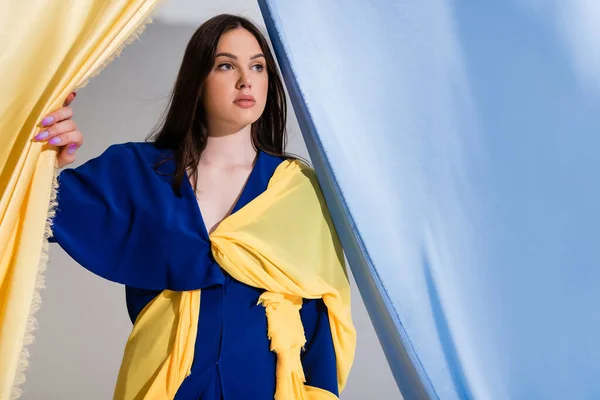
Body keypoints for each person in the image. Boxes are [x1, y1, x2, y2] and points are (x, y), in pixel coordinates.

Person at [34, 14, 355, 400]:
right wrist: (42, 159)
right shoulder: (135, 173)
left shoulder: (297, 188)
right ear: (197, 81)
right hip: (161, 385)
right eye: (225, 65)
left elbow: (321, 314)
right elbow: (23, 212)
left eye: (257, 66)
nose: (245, 80)